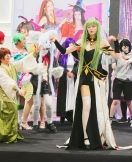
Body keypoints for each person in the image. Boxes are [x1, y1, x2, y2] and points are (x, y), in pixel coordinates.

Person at [54, 18, 127, 150]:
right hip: (84, 78)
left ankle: (97, 135)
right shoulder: (81, 41)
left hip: (97, 79)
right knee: (86, 105)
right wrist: (55, 41)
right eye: (89, 27)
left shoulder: (102, 42)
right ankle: (86, 136)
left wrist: (116, 42)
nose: (91, 29)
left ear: (97, 28)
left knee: (98, 108)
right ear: (86, 28)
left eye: (93, 26)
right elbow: (65, 51)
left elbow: (117, 56)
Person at [0, 47, 39, 143]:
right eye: (5, 55)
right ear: (0, 58)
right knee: (3, 114)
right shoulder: (0, 71)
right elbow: (9, 82)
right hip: (0, 96)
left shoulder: (12, 65)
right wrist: (18, 90)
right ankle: (2, 134)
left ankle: (10, 133)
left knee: (12, 111)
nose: (8, 56)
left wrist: (34, 54)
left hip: (8, 93)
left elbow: (23, 62)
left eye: (8, 54)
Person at [108, 39, 132, 127]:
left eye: (126, 46)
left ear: (129, 47)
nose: (124, 48)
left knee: (129, 101)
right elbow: (111, 60)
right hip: (118, 80)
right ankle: (110, 119)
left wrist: (130, 58)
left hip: (128, 81)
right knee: (115, 101)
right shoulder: (118, 55)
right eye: (122, 46)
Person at [11, 33, 34, 130]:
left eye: (25, 39)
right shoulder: (12, 52)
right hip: (16, 78)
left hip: (26, 78)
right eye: (23, 39)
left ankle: (22, 122)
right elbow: (12, 65)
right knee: (16, 100)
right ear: (17, 41)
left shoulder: (27, 51)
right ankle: (17, 122)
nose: (25, 41)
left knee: (27, 99)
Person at [57, 38, 78, 125]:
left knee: (73, 96)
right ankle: (63, 115)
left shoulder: (76, 54)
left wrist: (73, 72)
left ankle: (72, 115)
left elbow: (79, 65)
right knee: (63, 97)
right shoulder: (62, 54)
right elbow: (59, 64)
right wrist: (66, 72)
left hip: (73, 77)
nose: (71, 45)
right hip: (64, 77)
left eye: (73, 44)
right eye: (70, 44)